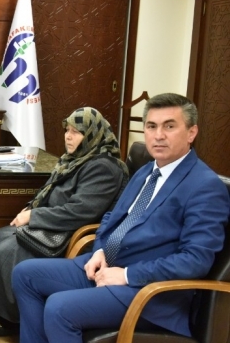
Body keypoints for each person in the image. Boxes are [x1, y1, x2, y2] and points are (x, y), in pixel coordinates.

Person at [12, 93, 230, 343]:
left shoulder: (205, 186)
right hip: (108, 265)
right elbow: (111, 218)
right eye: (151, 126)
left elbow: (195, 260)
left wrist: (126, 275)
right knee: (24, 274)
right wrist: (99, 250)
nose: (158, 135)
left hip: (149, 292)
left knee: (59, 308)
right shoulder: (147, 171)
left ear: (191, 133)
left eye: (169, 126)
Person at [0, 107, 129, 337]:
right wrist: (32, 207)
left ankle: (11, 318)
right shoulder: (76, 159)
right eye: (67, 130)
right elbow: (49, 191)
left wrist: (33, 217)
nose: (68, 136)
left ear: (92, 135)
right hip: (55, 223)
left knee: (8, 250)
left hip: (72, 232)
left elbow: (80, 212)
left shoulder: (104, 167)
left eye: (76, 132)